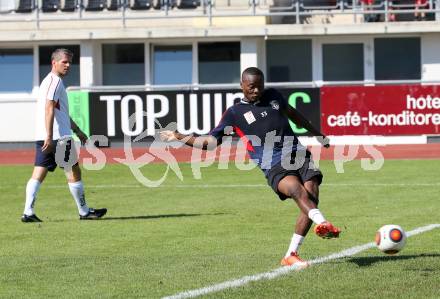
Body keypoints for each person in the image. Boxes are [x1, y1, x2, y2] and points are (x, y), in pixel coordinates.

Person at [160, 67, 341, 267]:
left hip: (298, 152)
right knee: (296, 190)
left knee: (311, 193)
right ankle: (323, 223)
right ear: (242, 86)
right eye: (252, 87)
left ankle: (291, 254)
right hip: (272, 162)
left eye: (259, 86)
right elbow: (209, 143)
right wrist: (178, 136)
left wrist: (317, 133)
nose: (256, 91)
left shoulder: (273, 96)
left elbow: (293, 114)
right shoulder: (235, 114)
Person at [21, 48, 107, 223]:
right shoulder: (55, 81)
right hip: (57, 138)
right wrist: (50, 136)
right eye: (64, 62)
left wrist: (77, 130)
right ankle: (84, 212)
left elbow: (60, 112)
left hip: (46, 136)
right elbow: (49, 108)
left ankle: (28, 212)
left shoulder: (48, 81)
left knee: (38, 173)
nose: (68, 65)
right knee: (74, 172)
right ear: (54, 63)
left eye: (69, 62)